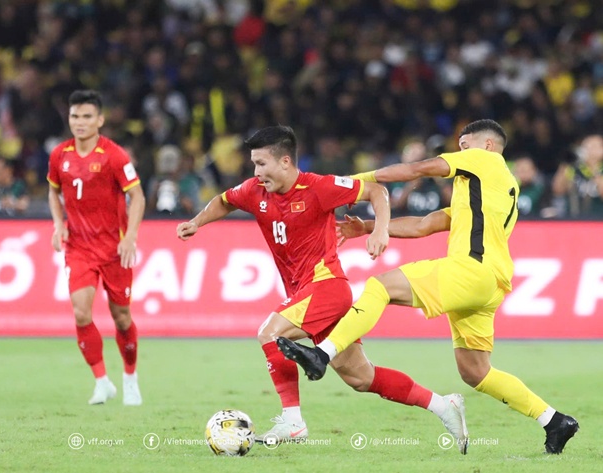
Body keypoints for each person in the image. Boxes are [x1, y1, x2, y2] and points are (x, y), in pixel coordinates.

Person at [277, 119, 579, 454]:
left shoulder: (485, 160)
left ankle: (321, 354)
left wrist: (353, 182)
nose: (459, 151)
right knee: (476, 372)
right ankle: (554, 421)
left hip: (471, 269)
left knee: (381, 286)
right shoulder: (487, 188)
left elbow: (418, 168)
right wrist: (367, 226)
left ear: (488, 145)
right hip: (490, 283)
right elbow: (424, 224)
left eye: (464, 145)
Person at [177, 125, 470, 452]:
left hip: (326, 287)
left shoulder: (319, 187)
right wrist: (196, 222)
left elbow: (377, 191)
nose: (256, 172)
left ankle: (293, 420)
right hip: (305, 293)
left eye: (261, 164)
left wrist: (381, 230)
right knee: (361, 378)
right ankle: (444, 405)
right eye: (254, 164)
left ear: (285, 161)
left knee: (269, 333)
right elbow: (224, 200)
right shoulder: (254, 190)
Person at [47, 90, 145, 406]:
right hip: (78, 248)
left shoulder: (114, 155)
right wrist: (59, 223)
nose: (80, 122)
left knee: (122, 318)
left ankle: (130, 377)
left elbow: (138, 197)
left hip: (115, 249)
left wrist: (130, 237)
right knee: (80, 312)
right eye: (75, 116)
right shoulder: (59, 155)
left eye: (87, 116)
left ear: (100, 120)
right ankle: (102, 382)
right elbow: (53, 192)